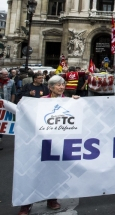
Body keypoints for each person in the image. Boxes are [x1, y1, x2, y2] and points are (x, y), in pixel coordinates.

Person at [18, 76, 79, 215]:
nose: (62, 87)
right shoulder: (41, 101)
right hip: (40, 143)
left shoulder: (69, 101)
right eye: (58, 85)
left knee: (54, 173)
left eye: (63, 85)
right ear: (50, 87)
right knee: (33, 173)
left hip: (58, 144)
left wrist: (78, 102)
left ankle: (52, 199)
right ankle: (26, 204)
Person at [0, 69, 15, 151]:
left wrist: (11, 104)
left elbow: (13, 93)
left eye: (7, 74)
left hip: (6, 105)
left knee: (2, 122)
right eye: (4, 75)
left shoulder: (11, 82)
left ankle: (0, 137)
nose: (6, 76)